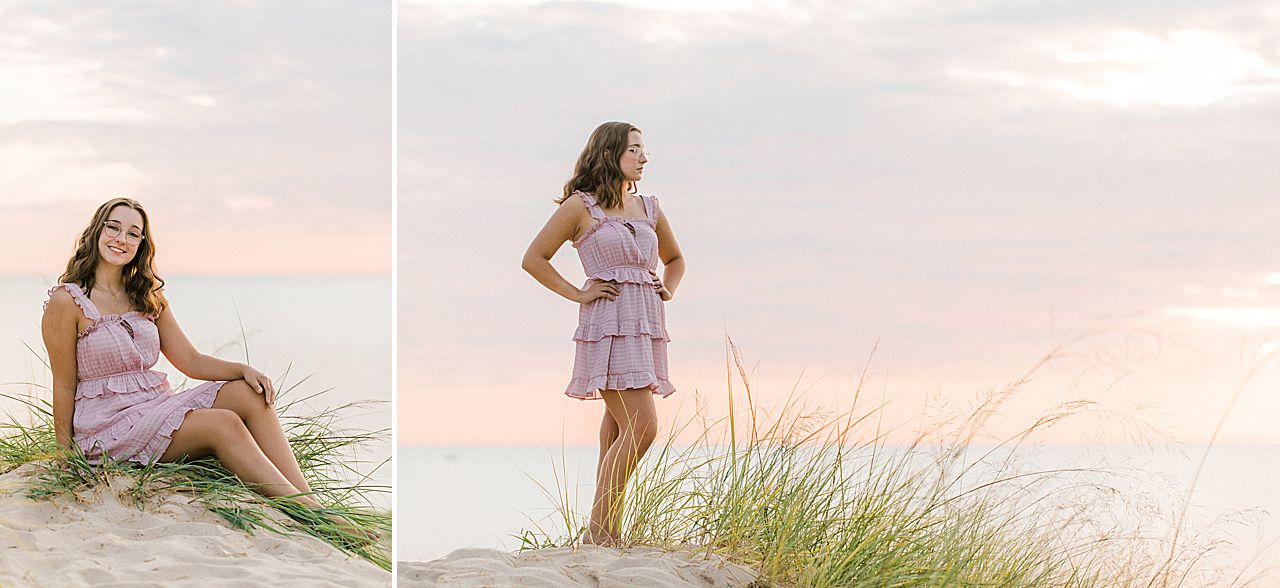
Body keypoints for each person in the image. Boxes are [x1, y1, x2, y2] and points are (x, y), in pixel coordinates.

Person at [41, 197, 364, 537]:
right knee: (222, 424)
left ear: (141, 245)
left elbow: (190, 361)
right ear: (97, 231)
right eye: (114, 228)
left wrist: (242, 369)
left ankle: (312, 504)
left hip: (152, 407)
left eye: (133, 234)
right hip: (107, 427)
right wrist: (66, 460)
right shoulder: (68, 301)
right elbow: (63, 384)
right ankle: (318, 521)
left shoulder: (146, 295)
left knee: (247, 394)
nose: (121, 239)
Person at [522, 121, 686, 545]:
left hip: (646, 323)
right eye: (635, 150)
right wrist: (578, 292)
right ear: (610, 153)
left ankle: (606, 534)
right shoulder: (582, 206)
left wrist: (668, 287)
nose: (643, 158)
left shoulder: (649, 207)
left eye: (644, 150)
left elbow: (676, 259)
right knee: (643, 427)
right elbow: (534, 258)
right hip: (608, 324)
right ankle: (599, 533)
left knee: (616, 429)